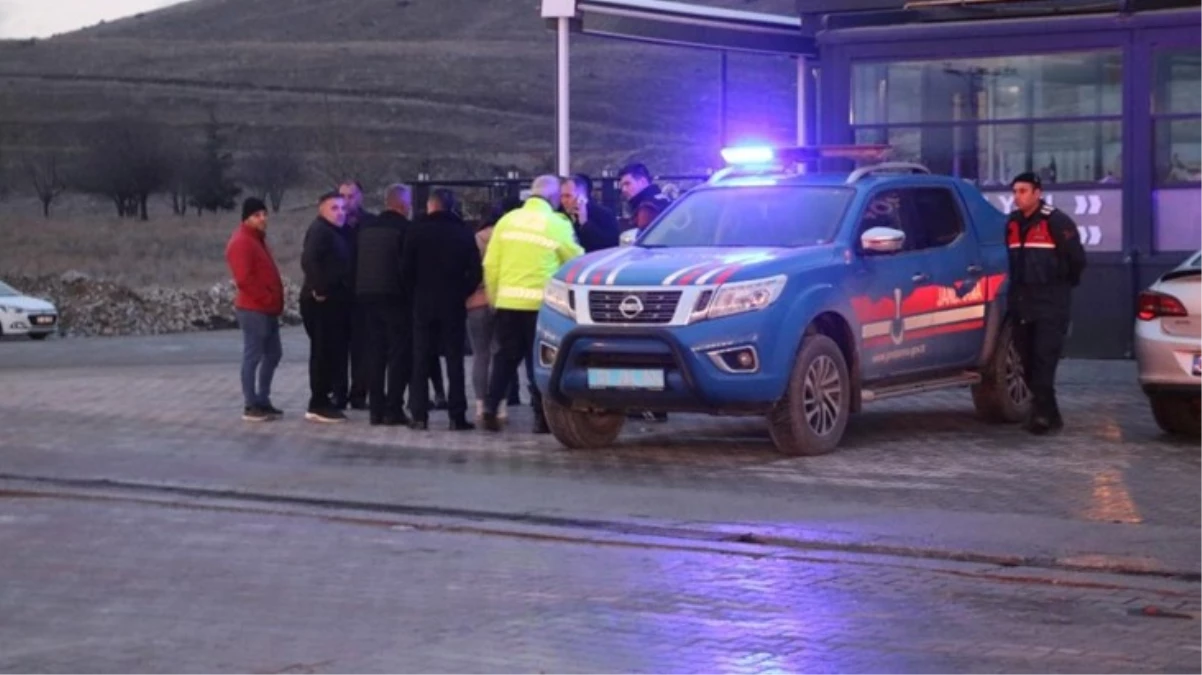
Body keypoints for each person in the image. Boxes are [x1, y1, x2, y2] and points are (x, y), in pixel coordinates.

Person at [481, 175, 584, 433]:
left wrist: (494, 296)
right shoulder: (556, 224)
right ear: (551, 198)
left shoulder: (506, 222)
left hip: (507, 304)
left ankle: (491, 408)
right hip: (542, 307)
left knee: (504, 359)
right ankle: (542, 418)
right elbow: (577, 260)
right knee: (538, 362)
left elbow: (490, 264)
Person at [1006, 171, 1087, 434]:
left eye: (1023, 191)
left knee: (1044, 359)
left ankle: (1041, 416)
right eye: (1015, 191)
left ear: (1037, 193)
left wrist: (1060, 287)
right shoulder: (1012, 223)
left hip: (1051, 302)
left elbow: (1077, 260)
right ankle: (1050, 413)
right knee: (1025, 361)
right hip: (1021, 301)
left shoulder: (1055, 221)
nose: (1018, 196)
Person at [402, 188, 481, 431]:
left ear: (430, 205)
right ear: (451, 206)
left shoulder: (416, 230)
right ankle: (457, 416)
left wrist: (414, 293)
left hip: (423, 302)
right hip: (453, 304)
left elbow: (405, 269)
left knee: (420, 358)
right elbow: (475, 271)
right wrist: (462, 292)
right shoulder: (462, 232)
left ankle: (419, 415)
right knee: (454, 360)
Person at [355, 183, 413, 426]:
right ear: (402, 205)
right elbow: (408, 267)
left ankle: (375, 409)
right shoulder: (406, 230)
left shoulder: (367, 229)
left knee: (374, 353)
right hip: (396, 298)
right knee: (399, 354)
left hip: (367, 296)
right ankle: (394, 408)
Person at [225, 197, 284, 422]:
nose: (263, 219)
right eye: (257, 215)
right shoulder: (242, 242)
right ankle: (251, 403)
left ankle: (262, 399)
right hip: (254, 309)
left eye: (264, 214)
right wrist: (266, 297)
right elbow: (244, 279)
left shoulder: (257, 240)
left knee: (273, 354)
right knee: (253, 355)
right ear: (247, 218)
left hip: (266, 308)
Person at [300, 190, 353, 423]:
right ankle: (318, 401)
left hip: (334, 300)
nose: (340, 213)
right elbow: (310, 260)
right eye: (334, 208)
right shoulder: (320, 231)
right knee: (322, 352)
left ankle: (326, 398)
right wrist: (319, 289)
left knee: (331, 351)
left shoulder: (336, 232)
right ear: (321, 210)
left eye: (342, 208)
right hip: (321, 301)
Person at [335, 179, 373, 410]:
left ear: (360, 197)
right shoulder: (334, 223)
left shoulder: (369, 223)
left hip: (362, 293)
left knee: (362, 348)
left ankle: (359, 393)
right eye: (343, 196)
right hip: (339, 294)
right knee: (339, 348)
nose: (347, 201)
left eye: (351, 196)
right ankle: (338, 393)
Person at [561, 174, 620, 252]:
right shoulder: (560, 215)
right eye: (561, 196)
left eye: (568, 196)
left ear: (582, 196)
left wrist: (585, 224)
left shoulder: (604, 215)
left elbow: (609, 246)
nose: (563, 201)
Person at [617, 162, 672, 232]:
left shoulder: (647, 208)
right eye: (622, 186)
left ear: (642, 182)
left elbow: (644, 240)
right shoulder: (661, 199)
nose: (623, 189)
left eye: (627, 184)